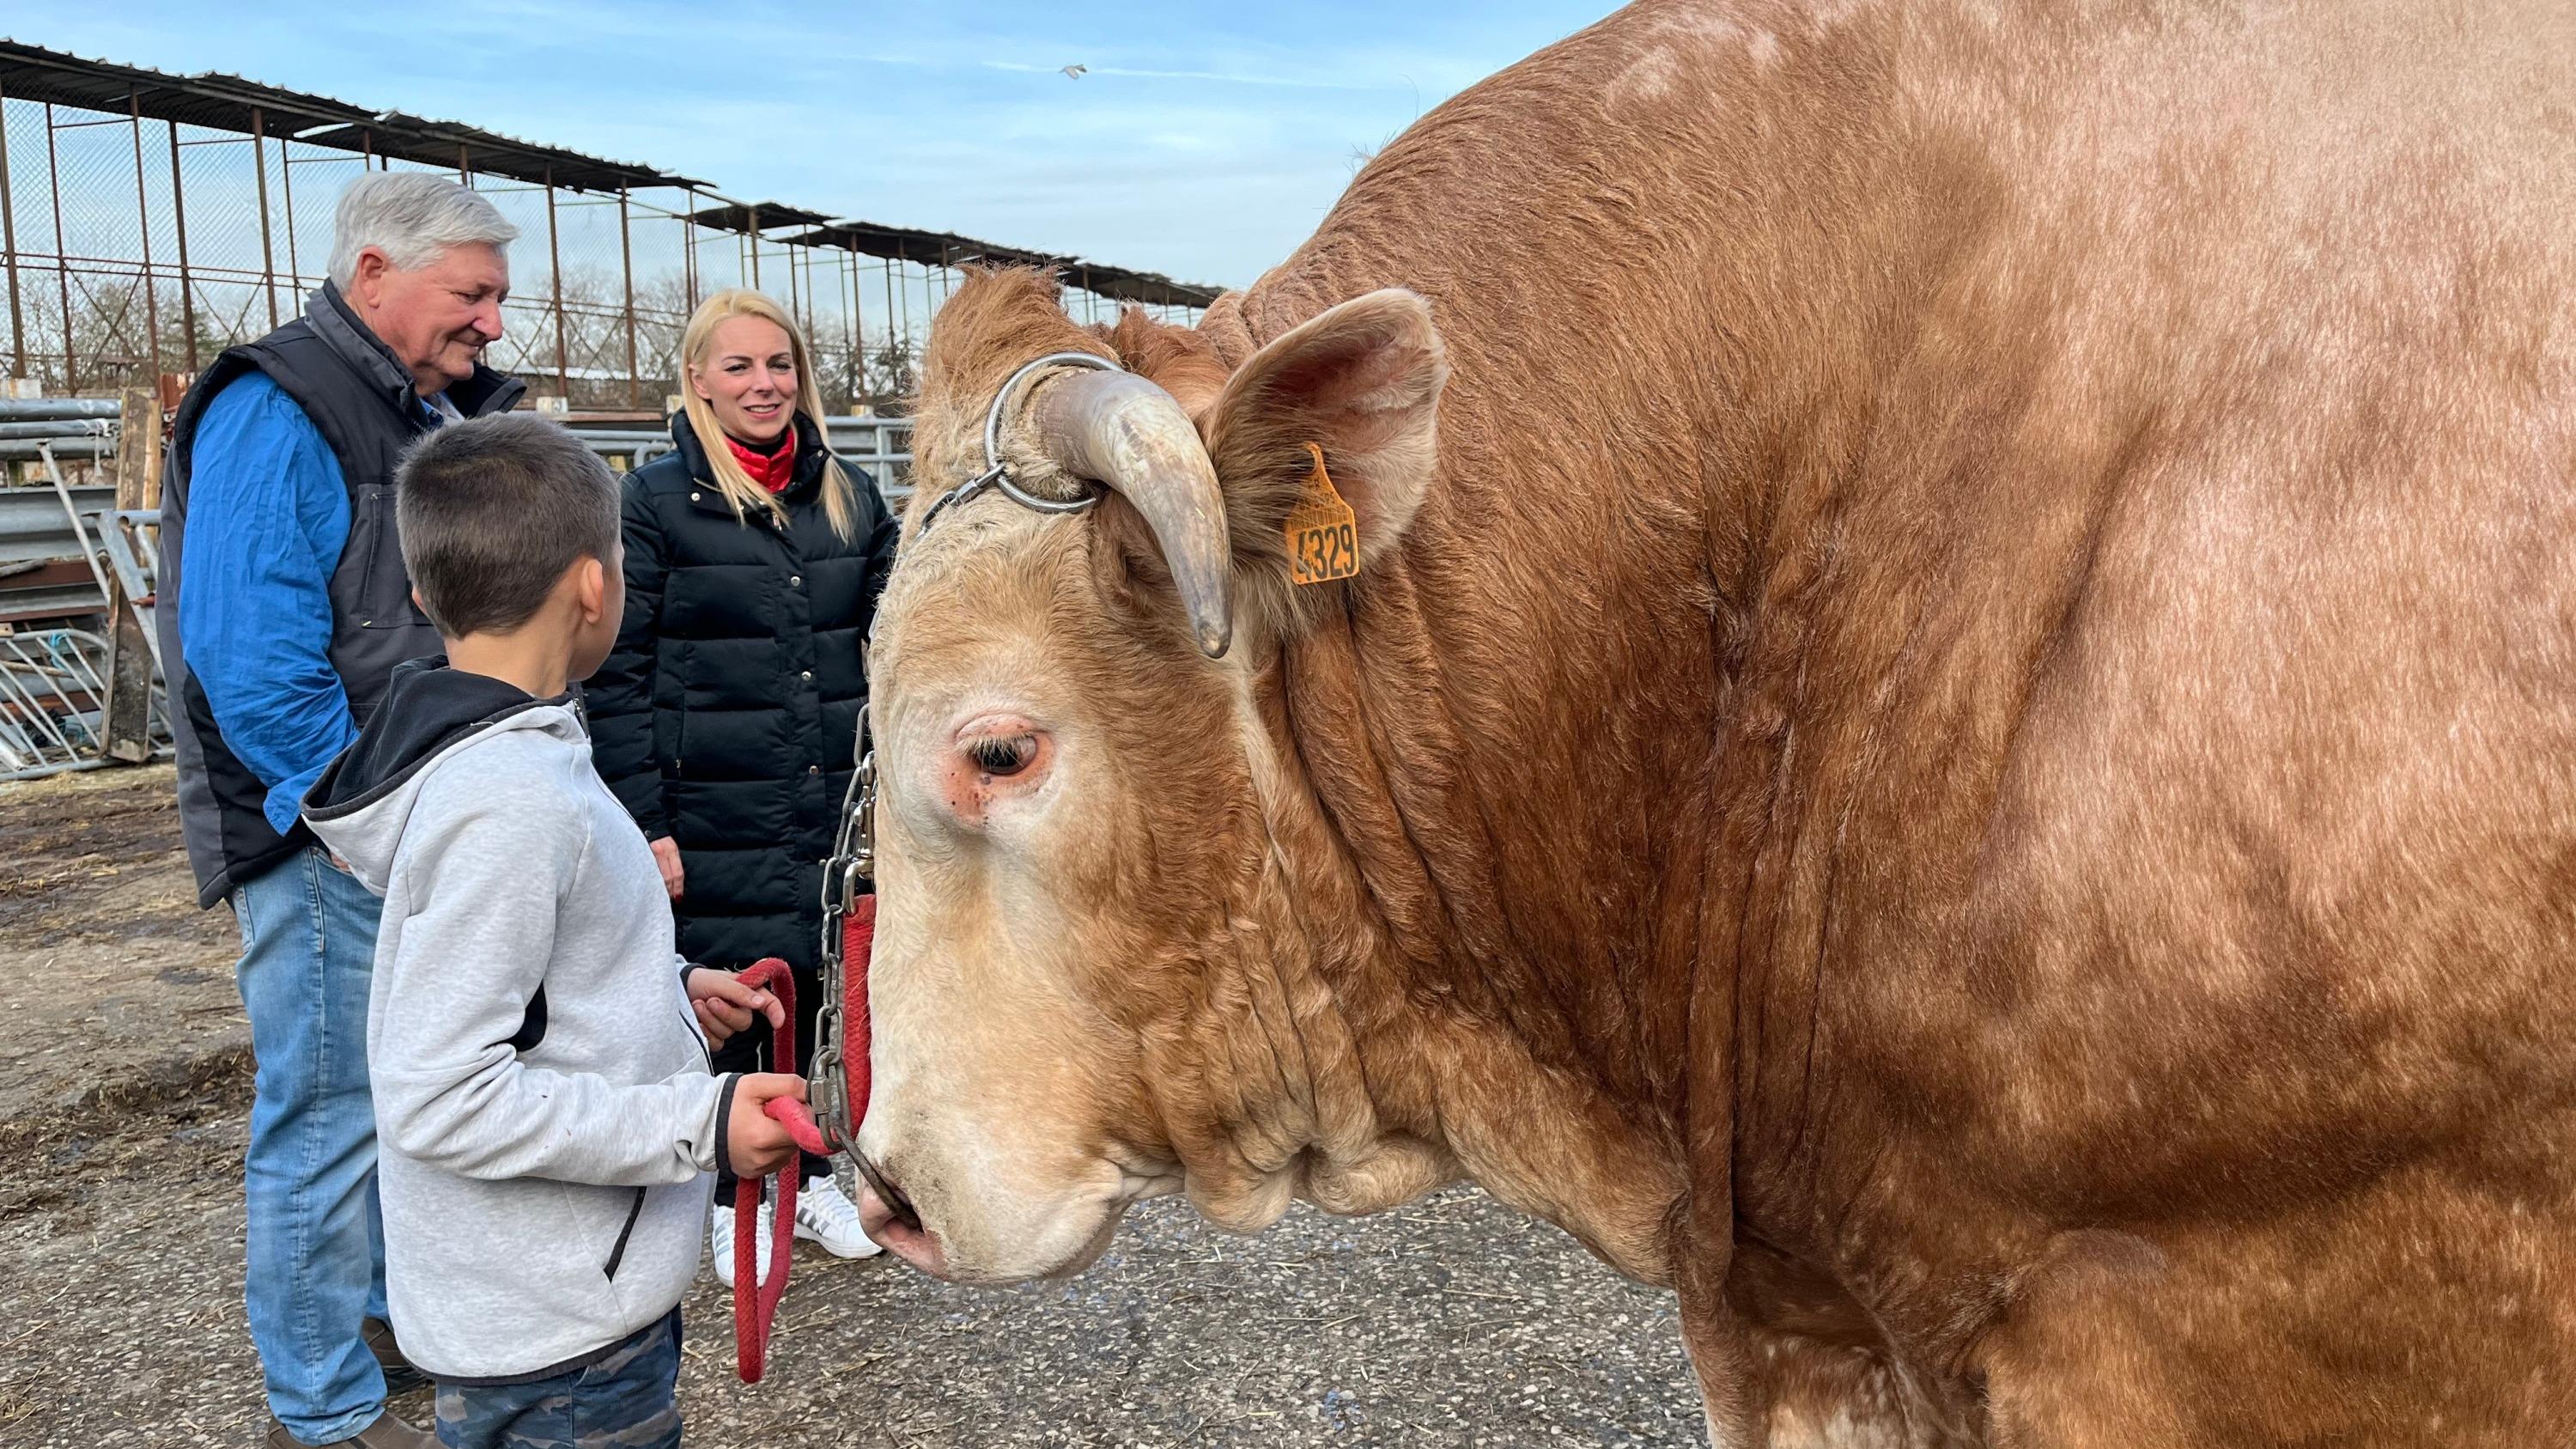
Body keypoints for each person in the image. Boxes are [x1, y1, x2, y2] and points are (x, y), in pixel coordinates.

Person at [301, 413, 807, 1449]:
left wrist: (667, 989)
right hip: (562, 1347)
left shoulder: (508, 758)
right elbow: (440, 1097)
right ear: (593, 586)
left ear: (422, 592)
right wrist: (700, 1125)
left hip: (554, 1309)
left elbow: (534, 986)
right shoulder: (513, 800)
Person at [157, 171, 524, 1449]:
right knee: (324, 1111)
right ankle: (321, 1403)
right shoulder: (281, 405)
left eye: (495, 296)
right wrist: (369, 813)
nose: (492, 320)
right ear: (375, 273)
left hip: (404, 817)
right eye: (470, 293)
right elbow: (251, 661)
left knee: (402, 1093)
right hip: (326, 831)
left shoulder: (418, 412)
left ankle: (382, 1322)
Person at [587, 289, 898, 1281]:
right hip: (711, 803)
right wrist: (643, 817)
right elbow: (616, 672)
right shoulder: (654, 503)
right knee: (730, 1000)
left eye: (779, 365)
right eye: (739, 367)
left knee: (813, 994)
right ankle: (725, 1197)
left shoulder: (848, 493)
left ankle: (803, 1180)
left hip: (825, 798)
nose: (764, 384)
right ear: (697, 381)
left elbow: (896, 633)